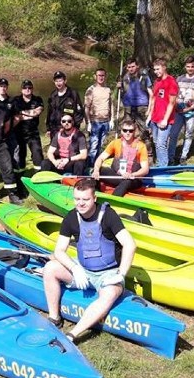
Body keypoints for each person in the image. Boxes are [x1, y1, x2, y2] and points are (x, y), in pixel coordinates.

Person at [41, 178, 136, 343]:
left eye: (85, 199)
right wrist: (74, 268)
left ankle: (71, 335)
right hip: (83, 271)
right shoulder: (71, 217)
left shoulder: (108, 216)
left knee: (110, 293)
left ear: (94, 198)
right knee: (50, 268)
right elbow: (59, 250)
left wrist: (121, 274)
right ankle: (54, 318)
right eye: (77, 199)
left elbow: (130, 244)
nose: (81, 203)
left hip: (108, 274)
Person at [92, 119, 150, 197]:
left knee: (127, 182)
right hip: (117, 176)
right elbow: (101, 158)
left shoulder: (141, 146)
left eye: (130, 131)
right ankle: (95, 193)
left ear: (134, 132)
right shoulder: (115, 143)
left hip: (133, 179)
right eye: (125, 130)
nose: (128, 133)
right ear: (121, 131)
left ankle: (113, 201)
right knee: (97, 170)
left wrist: (132, 174)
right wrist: (96, 170)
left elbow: (145, 169)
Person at [168, 56, 194, 165]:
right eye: (188, 66)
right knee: (173, 134)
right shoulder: (179, 79)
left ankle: (183, 156)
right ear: (185, 67)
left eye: (192, 66)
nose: (190, 68)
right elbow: (174, 93)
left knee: (188, 134)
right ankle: (171, 157)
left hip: (191, 111)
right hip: (178, 111)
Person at [145, 58, 178, 168]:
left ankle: (163, 166)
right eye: (154, 69)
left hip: (165, 120)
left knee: (161, 144)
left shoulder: (171, 82)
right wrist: (150, 115)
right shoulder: (157, 81)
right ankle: (160, 163)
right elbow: (154, 99)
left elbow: (172, 103)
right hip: (154, 118)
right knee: (156, 142)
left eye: (158, 69)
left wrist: (165, 119)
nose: (156, 72)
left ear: (164, 67)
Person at [117, 58, 152, 154]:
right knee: (126, 130)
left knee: (144, 130)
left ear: (137, 66)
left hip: (141, 107)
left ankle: (148, 152)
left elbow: (151, 93)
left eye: (133, 66)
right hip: (128, 107)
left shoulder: (144, 76)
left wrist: (149, 109)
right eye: (129, 67)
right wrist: (119, 87)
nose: (131, 69)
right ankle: (126, 151)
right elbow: (123, 93)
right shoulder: (124, 77)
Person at [11, 79, 44, 173]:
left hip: (33, 133)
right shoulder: (16, 100)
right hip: (19, 133)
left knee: (37, 154)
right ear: (21, 89)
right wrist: (30, 114)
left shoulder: (38, 99)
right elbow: (16, 116)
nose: (27, 89)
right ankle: (20, 178)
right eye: (25, 88)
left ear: (32, 89)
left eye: (29, 87)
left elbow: (37, 113)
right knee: (20, 156)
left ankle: (38, 176)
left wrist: (21, 113)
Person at [84, 68, 114, 168]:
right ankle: (91, 167)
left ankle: (98, 166)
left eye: (103, 75)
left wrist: (112, 119)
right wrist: (88, 122)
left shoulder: (108, 90)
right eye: (99, 75)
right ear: (95, 76)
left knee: (101, 146)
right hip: (95, 122)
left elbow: (111, 105)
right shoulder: (91, 90)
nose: (101, 77)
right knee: (94, 146)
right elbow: (87, 107)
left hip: (106, 122)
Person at [45, 71, 84, 139]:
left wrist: (73, 128)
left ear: (65, 81)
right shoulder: (53, 95)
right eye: (56, 81)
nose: (58, 83)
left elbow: (79, 113)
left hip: (69, 130)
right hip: (55, 130)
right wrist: (48, 129)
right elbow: (49, 113)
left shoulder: (73, 94)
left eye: (60, 81)